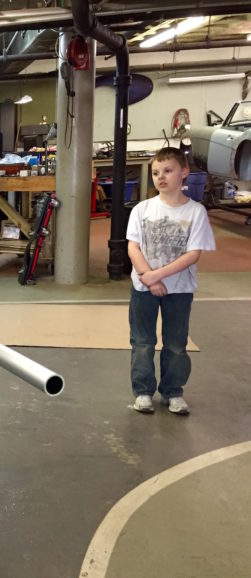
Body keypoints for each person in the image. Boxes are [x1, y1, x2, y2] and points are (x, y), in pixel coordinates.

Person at [126, 146, 215, 415]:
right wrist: (148, 278)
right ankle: (143, 392)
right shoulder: (142, 210)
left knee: (176, 343)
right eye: (155, 172)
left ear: (184, 173)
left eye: (167, 171)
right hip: (144, 288)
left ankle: (173, 391)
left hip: (180, 289)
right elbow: (133, 247)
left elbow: (193, 254)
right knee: (142, 341)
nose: (160, 177)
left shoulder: (196, 212)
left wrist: (158, 275)